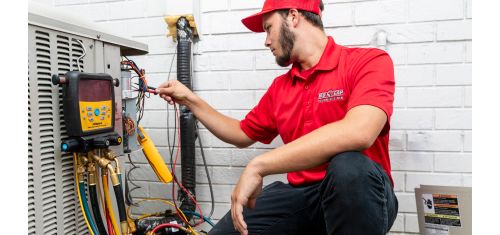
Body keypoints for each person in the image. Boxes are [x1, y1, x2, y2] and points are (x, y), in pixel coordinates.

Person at [156, 0, 398, 234]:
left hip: (361, 194)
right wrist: (190, 100)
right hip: (302, 195)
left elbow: (360, 132)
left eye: (268, 28)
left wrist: (259, 166)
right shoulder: (281, 88)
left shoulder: (367, 62)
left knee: (348, 167)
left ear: (293, 17)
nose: (266, 41)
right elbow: (241, 133)